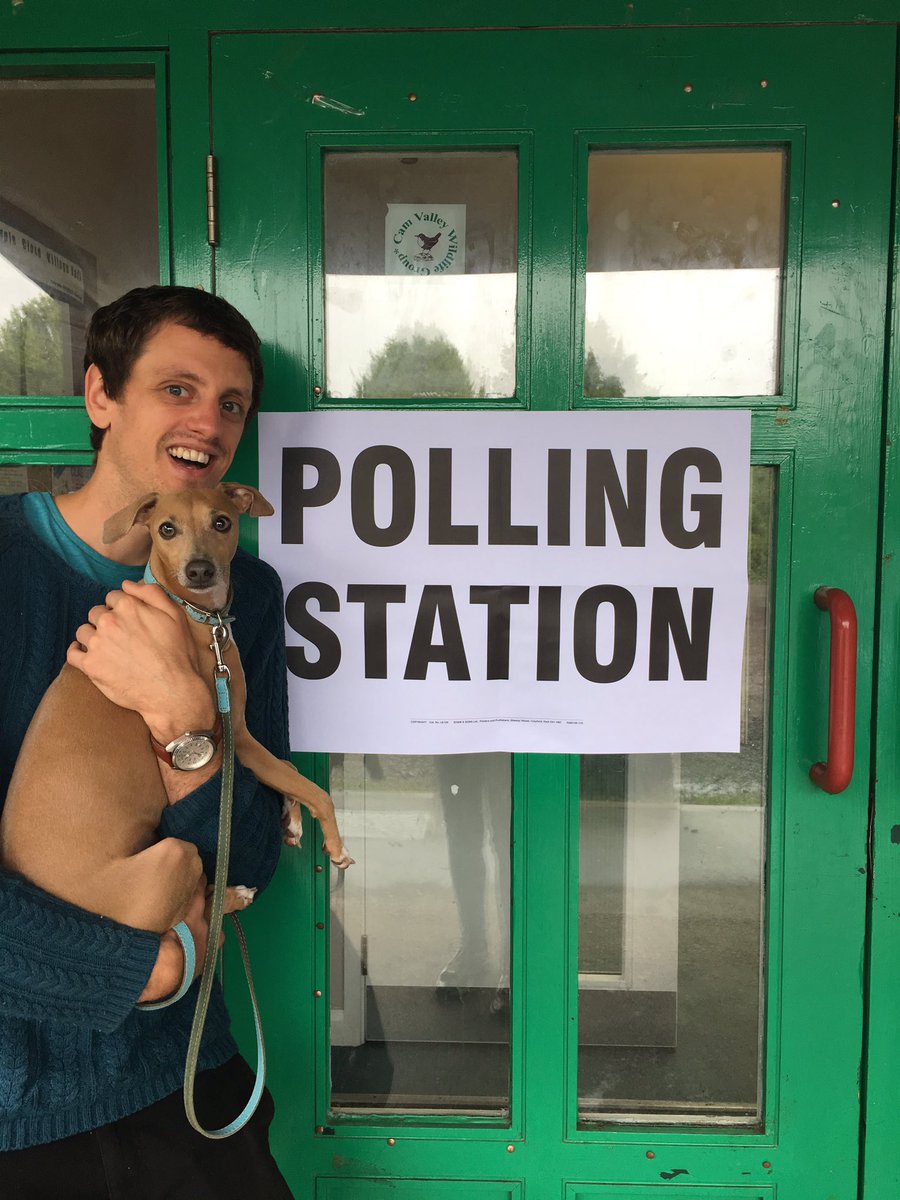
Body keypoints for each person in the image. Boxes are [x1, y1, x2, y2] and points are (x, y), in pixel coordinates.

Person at [0, 285, 296, 1198]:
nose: (209, 421)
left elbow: (249, 859)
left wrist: (184, 720)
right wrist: (144, 966)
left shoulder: (248, 597)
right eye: (178, 389)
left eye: (232, 403)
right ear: (100, 395)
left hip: (188, 1078)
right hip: (19, 1113)